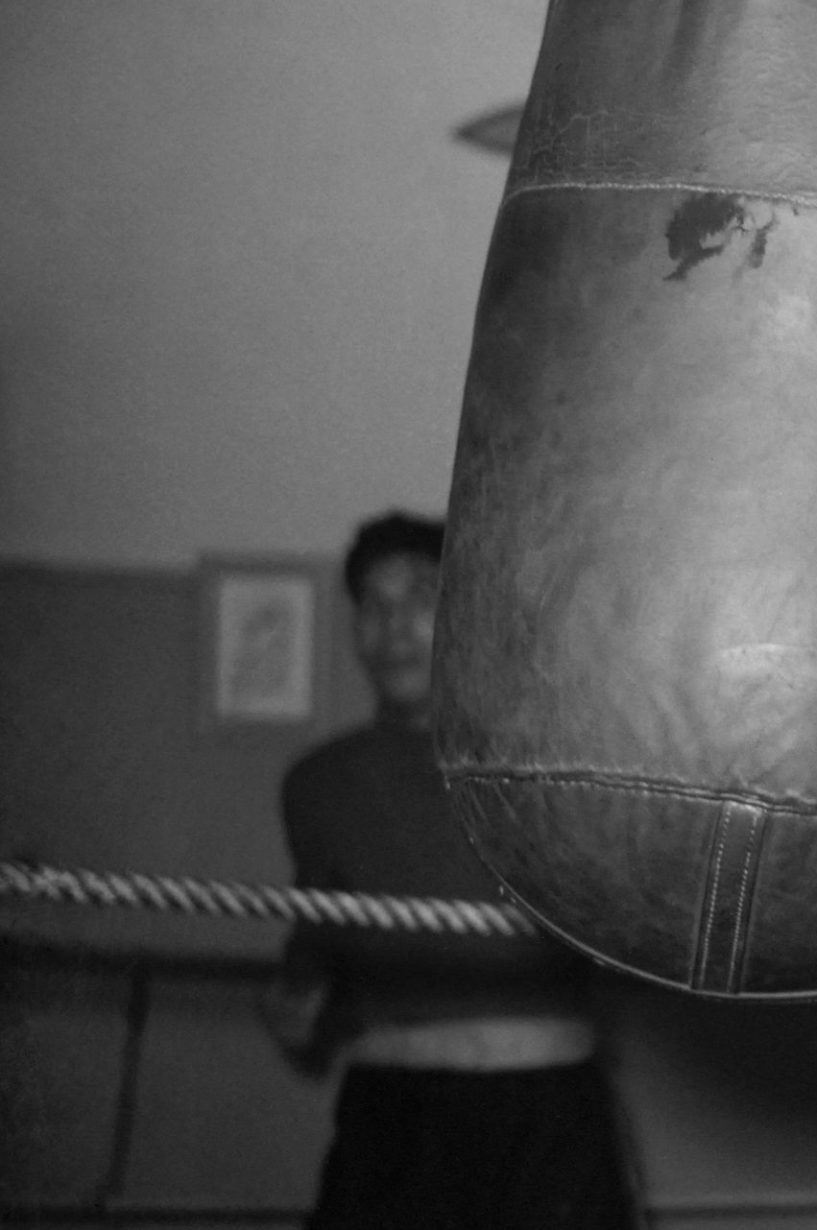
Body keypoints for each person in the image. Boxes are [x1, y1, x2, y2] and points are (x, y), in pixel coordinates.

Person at [262, 511, 638, 1230]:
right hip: (390, 1120)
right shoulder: (318, 784)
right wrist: (296, 1003)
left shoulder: (550, 766)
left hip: (548, 1115)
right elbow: (313, 959)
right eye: (372, 603)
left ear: (463, 613)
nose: (393, 622)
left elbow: (619, 925)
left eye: (420, 595)